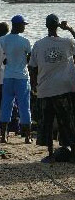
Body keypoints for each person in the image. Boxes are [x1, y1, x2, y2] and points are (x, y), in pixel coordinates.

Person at [30, 15, 75, 162]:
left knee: (47, 122)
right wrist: (69, 28)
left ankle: (50, 154)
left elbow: (33, 68)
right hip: (64, 88)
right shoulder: (67, 42)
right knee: (67, 121)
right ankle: (72, 152)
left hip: (45, 90)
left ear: (46, 26)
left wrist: (34, 87)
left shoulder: (38, 45)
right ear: (58, 26)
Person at [0, 15, 32, 144]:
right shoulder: (25, 41)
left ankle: (3, 136)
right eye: (23, 25)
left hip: (8, 76)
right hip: (22, 77)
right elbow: (29, 58)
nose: (24, 27)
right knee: (24, 106)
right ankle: (27, 137)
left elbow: (4, 57)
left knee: (6, 105)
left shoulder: (3, 40)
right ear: (17, 25)